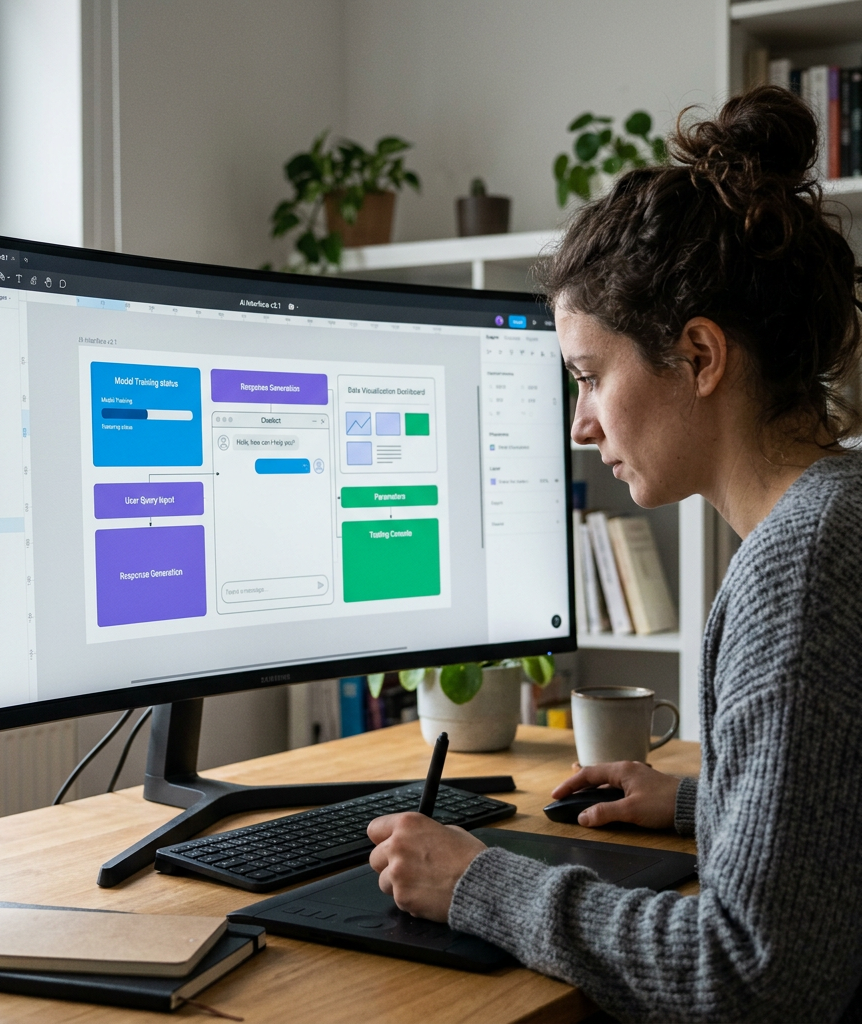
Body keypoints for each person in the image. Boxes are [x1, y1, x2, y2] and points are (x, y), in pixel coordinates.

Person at [367, 86, 862, 1023]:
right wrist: (695, 805)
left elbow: (755, 980)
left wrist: (480, 884)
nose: (581, 424)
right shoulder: (834, 516)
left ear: (701, 356)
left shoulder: (799, 569)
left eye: (591, 377)